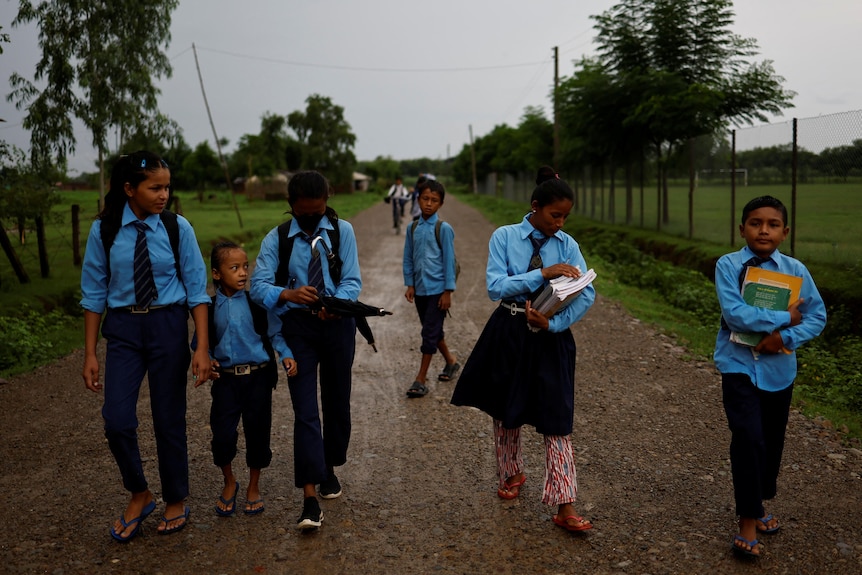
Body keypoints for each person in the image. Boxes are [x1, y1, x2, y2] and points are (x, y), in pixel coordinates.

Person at [450, 173, 596, 532]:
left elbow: (587, 293)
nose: (559, 224)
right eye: (554, 216)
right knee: (505, 408)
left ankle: (565, 505)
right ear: (535, 208)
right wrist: (541, 274)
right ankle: (511, 472)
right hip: (509, 331)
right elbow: (495, 286)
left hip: (551, 336)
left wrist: (555, 325)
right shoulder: (504, 237)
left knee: (558, 418)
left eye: (564, 217)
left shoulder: (567, 243)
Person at [80, 150, 211, 541]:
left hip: (167, 325)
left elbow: (197, 291)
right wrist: (89, 353)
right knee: (116, 419)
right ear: (129, 189)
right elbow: (93, 292)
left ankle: (176, 497)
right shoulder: (104, 230)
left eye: (167, 187)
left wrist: (201, 347)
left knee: (168, 417)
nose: (163, 195)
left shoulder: (176, 228)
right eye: (155, 187)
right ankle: (140, 492)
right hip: (122, 330)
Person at [714, 195, 826, 558]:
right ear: (742, 228)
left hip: (780, 371)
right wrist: (784, 318)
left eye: (773, 224)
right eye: (755, 223)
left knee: (771, 442)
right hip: (738, 366)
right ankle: (748, 520)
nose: (764, 230)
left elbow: (817, 316)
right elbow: (735, 315)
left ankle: (759, 504)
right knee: (747, 437)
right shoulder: (728, 266)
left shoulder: (796, 271)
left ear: (785, 231)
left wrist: (784, 338)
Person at [250, 170, 362, 531]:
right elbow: (258, 285)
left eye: (318, 212)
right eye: (305, 213)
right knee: (305, 410)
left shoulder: (342, 232)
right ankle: (309, 498)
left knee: (336, 402)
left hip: (338, 326)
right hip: (297, 328)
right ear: (291, 206)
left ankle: (329, 465)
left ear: (327, 202)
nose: (312, 219)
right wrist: (288, 294)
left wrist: (336, 304)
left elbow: (352, 281)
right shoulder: (277, 239)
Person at [206, 242, 298, 517]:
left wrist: (286, 355)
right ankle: (229, 481)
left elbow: (275, 333)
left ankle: (254, 485)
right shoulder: (209, 308)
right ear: (217, 274)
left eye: (246, 267)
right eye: (234, 268)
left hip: (258, 378)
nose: (243, 273)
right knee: (222, 434)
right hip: (226, 380)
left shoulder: (257, 304)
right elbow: (202, 342)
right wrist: (207, 359)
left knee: (258, 432)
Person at [402, 180, 459, 398]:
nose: (428, 204)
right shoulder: (412, 227)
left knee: (428, 333)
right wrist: (410, 284)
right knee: (433, 329)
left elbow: (449, 261)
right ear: (418, 199)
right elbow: (408, 257)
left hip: (438, 291)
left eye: (434, 200)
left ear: (441, 204)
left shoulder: (443, 229)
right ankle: (451, 362)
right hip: (420, 291)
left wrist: (448, 292)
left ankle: (420, 379)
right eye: (425, 199)